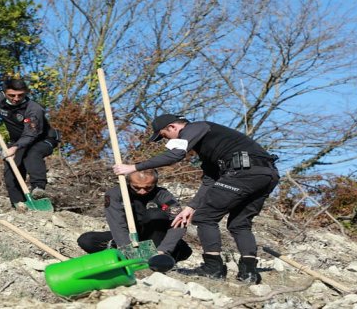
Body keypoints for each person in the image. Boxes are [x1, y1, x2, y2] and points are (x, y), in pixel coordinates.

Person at [113, 114, 279, 284]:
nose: (165, 140)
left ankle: (213, 268)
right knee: (239, 224)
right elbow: (210, 180)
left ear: (172, 127)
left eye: (163, 135)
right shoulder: (210, 147)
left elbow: (175, 155)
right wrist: (191, 207)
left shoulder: (196, 127)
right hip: (267, 175)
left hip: (243, 172)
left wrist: (133, 167)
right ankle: (249, 272)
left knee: (205, 218)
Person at [0, 79, 60, 207]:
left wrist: (15, 147)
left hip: (42, 139)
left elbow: (31, 133)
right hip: (18, 141)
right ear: (4, 92)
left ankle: (38, 189)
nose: (16, 99)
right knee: (11, 167)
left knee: (32, 153)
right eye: (12, 95)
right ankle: (18, 204)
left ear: (26, 93)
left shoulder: (34, 109)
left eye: (20, 95)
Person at [77, 169, 192, 268]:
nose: (142, 192)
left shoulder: (163, 195)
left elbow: (178, 223)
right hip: (128, 237)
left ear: (155, 183)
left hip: (156, 238)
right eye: (136, 187)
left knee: (155, 215)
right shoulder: (116, 194)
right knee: (87, 240)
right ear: (128, 182)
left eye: (148, 188)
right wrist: (128, 250)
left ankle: (156, 258)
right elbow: (117, 225)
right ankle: (122, 257)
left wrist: (163, 250)